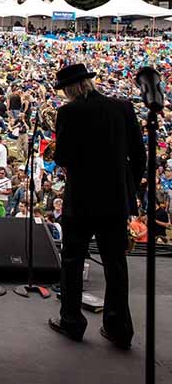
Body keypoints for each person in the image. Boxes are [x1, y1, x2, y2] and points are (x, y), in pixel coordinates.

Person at [48, 63, 143, 350]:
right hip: (114, 200)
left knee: (73, 260)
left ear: (70, 89)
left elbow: (62, 157)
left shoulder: (69, 112)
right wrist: (127, 189)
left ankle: (72, 322)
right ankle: (120, 328)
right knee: (115, 263)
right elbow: (139, 155)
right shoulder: (122, 108)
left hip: (81, 199)